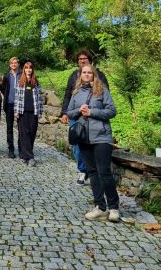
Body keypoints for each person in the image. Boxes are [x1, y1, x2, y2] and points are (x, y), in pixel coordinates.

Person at [66, 64, 120, 222]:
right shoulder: (76, 93)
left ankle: (114, 208)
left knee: (104, 172)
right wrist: (78, 110)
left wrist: (92, 112)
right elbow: (69, 112)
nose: (87, 75)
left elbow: (112, 111)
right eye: (84, 72)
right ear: (81, 75)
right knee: (93, 172)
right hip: (84, 138)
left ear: (94, 75)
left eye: (90, 72)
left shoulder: (102, 90)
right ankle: (100, 207)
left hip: (101, 136)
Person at [61, 49, 109, 185]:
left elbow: (106, 96)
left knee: (93, 144)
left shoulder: (99, 75)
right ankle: (83, 171)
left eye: (85, 58)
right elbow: (67, 95)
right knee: (77, 145)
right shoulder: (73, 76)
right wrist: (65, 112)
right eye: (80, 59)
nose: (82, 61)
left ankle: (93, 171)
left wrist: (95, 110)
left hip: (93, 116)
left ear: (90, 60)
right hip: (76, 116)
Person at [14, 61, 43, 167]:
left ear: (32, 69)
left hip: (34, 112)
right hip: (22, 112)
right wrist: (16, 111)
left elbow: (40, 98)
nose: (28, 69)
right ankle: (30, 157)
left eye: (30, 68)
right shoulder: (20, 82)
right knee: (24, 133)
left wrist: (40, 112)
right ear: (24, 69)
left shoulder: (36, 82)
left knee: (31, 134)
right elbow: (17, 98)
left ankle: (24, 155)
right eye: (26, 68)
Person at [1, 57, 21, 158]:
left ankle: (21, 148)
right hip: (9, 104)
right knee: (9, 127)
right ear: (10, 65)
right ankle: (11, 149)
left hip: (20, 105)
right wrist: (7, 95)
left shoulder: (22, 75)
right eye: (12, 63)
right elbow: (2, 88)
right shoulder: (6, 76)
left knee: (21, 128)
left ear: (18, 64)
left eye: (15, 63)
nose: (14, 64)